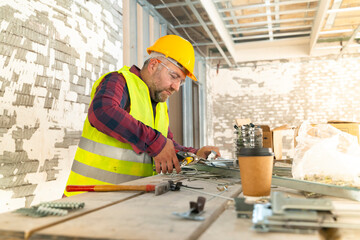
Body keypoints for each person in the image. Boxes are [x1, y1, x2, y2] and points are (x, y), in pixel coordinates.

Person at [64, 35, 220, 197]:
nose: (176, 87)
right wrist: (154, 141)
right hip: (86, 199)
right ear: (153, 65)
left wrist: (195, 154)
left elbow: (166, 146)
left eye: (181, 82)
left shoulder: (159, 106)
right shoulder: (119, 81)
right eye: (174, 77)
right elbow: (102, 111)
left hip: (125, 202)